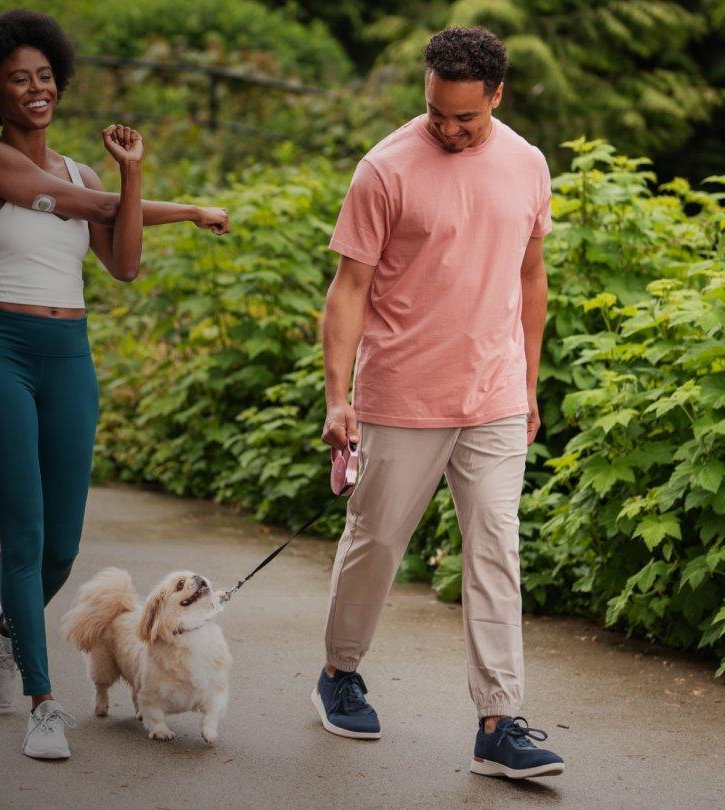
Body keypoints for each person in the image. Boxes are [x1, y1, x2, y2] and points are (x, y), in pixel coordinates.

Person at [0, 9, 229, 761]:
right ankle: (44, 703)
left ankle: (7, 627)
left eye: (45, 76)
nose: (36, 89)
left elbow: (124, 263)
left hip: (67, 356)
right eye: (18, 80)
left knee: (63, 547)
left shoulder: (86, 172)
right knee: (25, 533)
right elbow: (90, 209)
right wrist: (192, 210)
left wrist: (132, 175)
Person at [314, 26, 566, 779]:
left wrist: (528, 384)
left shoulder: (527, 163)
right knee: (377, 541)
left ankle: (498, 721)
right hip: (402, 393)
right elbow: (348, 289)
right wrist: (337, 398)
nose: (449, 130)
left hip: (495, 394)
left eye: (466, 117)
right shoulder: (385, 168)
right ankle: (339, 672)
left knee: (496, 549)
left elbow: (531, 276)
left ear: (497, 95)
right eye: (436, 114)